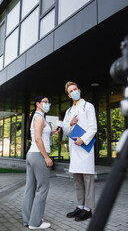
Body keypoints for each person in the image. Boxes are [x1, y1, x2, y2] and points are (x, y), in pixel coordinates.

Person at [22, 96, 60, 230]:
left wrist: (53, 132)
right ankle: (35, 223)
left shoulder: (38, 117)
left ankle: (28, 219)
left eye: (48, 102)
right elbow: (38, 139)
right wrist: (47, 157)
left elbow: (40, 135)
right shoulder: (39, 117)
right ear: (38, 104)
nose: (47, 104)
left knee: (30, 188)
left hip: (32, 155)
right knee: (42, 188)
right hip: (38, 155)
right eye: (45, 102)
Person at [63, 81, 97, 221]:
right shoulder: (69, 111)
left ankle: (88, 209)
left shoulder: (88, 106)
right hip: (74, 149)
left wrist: (83, 139)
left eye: (75, 89)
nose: (73, 92)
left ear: (79, 90)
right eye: (71, 91)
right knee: (77, 179)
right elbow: (65, 129)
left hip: (84, 147)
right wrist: (70, 123)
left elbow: (93, 128)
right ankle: (80, 206)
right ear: (69, 95)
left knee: (88, 179)